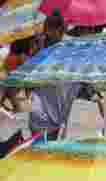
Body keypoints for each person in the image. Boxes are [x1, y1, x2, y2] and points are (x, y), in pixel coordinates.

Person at [28, 12, 78, 142]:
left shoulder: (71, 44)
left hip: (63, 90)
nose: (48, 34)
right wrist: (38, 48)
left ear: (60, 29)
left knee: (56, 129)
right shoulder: (41, 42)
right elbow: (31, 64)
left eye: (51, 30)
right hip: (43, 88)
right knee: (37, 117)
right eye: (46, 30)